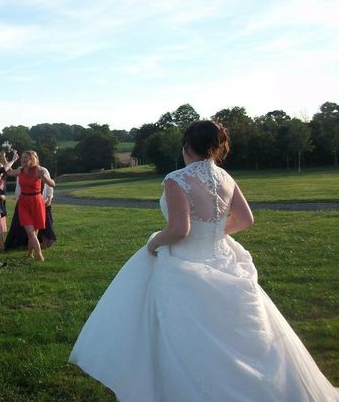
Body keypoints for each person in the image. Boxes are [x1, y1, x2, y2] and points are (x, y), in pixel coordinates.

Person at [68, 120, 339, 401]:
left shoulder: (177, 179)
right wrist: (214, 234)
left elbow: (179, 230)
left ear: (187, 145)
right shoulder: (226, 178)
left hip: (185, 263)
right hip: (224, 258)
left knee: (186, 339)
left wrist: (153, 243)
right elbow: (246, 220)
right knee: (237, 336)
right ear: (216, 146)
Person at [5, 151, 55, 261]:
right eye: (22, 157)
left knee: (34, 232)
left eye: (25, 158)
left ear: (32, 160)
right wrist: (5, 159)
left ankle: (29, 253)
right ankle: (40, 257)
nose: (23, 159)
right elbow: (8, 172)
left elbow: (52, 184)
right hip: (24, 202)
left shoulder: (39, 170)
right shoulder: (20, 170)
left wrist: (44, 178)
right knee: (31, 232)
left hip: (36, 201)